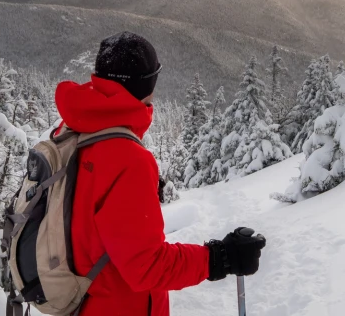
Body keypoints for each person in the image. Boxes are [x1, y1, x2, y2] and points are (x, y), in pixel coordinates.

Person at [54, 31, 266, 316]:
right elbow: (148, 267)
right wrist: (221, 258)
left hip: (81, 304)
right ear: (147, 86)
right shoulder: (128, 159)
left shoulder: (71, 129)